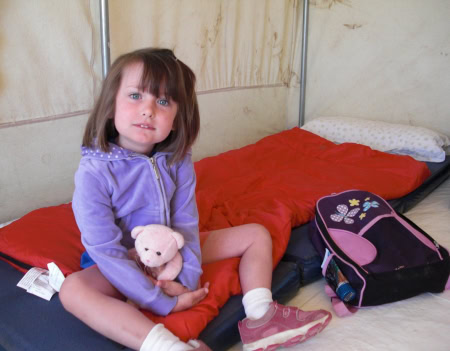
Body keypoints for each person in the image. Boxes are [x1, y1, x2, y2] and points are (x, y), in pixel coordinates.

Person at [59, 48, 331, 351]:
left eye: (163, 101)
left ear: (176, 119)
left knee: (256, 234)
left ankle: (261, 316)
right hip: (125, 260)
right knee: (72, 290)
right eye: (136, 96)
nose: (148, 109)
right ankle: (171, 348)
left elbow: (185, 223)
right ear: (110, 105)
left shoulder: (177, 159)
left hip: (171, 252)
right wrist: (159, 300)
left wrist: (185, 279)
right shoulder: (93, 173)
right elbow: (105, 250)